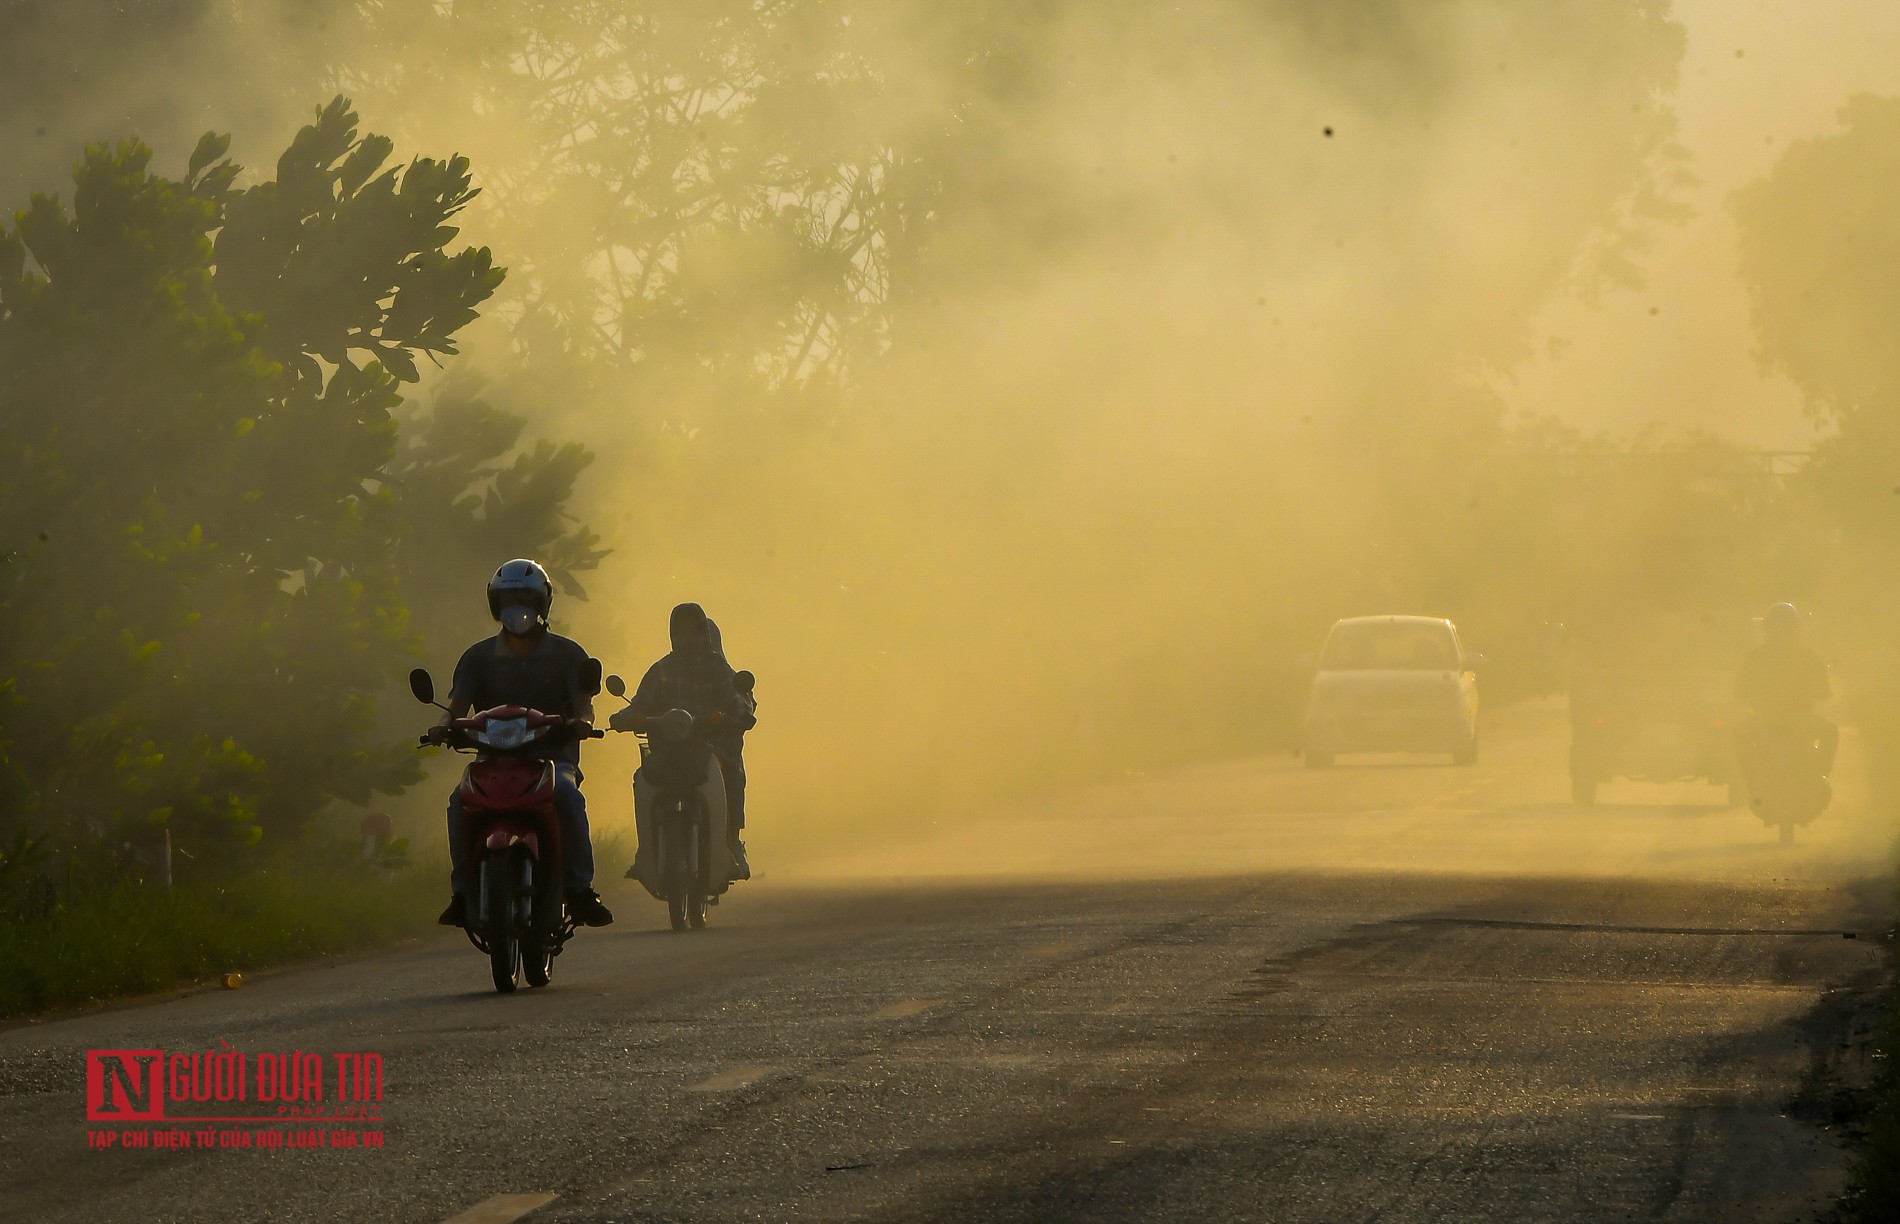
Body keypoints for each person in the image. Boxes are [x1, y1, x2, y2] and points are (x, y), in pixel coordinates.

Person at [429, 559, 613, 928]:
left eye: (526, 598)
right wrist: (443, 727)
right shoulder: (477, 657)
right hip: (493, 763)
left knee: (567, 796)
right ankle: (463, 892)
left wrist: (581, 725)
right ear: (495, 604)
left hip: (552, 760)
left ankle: (580, 889)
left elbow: (584, 705)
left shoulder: (568, 654)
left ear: (543, 603)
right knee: (457, 802)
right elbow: (456, 707)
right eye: (509, 598)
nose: (518, 608)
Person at [616, 603, 757, 878]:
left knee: (732, 777)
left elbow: (738, 701)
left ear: (705, 634)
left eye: (694, 633)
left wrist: (736, 715)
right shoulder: (660, 670)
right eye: (681, 633)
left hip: (712, 750)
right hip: (668, 752)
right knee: (641, 779)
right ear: (672, 635)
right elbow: (640, 703)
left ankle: (732, 842)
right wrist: (626, 718)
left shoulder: (718, 669)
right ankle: (645, 852)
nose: (688, 639)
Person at [1735, 602, 1838, 778]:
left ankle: (1750, 779)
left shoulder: (1757, 657)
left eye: (1785, 629)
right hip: (1795, 720)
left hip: (1770, 720)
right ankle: (1821, 775)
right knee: (1831, 731)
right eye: (1778, 628)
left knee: (1739, 735)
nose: (1781, 634)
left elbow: (1740, 690)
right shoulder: (1809, 656)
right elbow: (1824, 691)